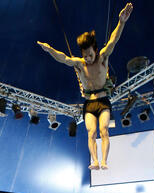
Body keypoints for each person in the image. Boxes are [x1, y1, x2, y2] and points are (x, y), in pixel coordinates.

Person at [37, 3, 133, 170]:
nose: (88, 58)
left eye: (90, 55)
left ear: (95, 50)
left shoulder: (102, 57)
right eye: (85, 55)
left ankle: (104, 161)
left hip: (103, 101)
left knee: (104, 130)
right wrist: (50, 49)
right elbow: (63, 58)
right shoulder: (80, 64)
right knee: (91, 133)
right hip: (89, 103)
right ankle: (95, 161)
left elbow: (113, 41)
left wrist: (122, 22)